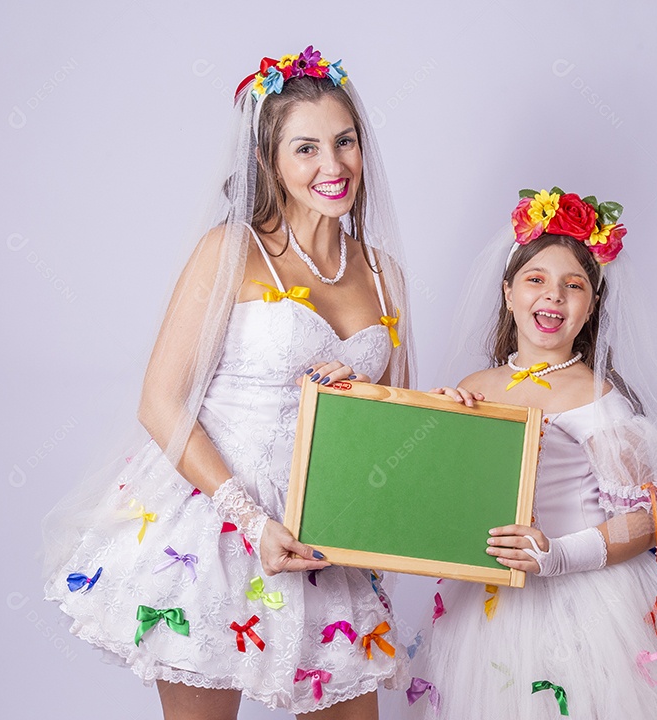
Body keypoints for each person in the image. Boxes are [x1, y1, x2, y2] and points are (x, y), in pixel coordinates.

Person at [42, 46, 413, 718]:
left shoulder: (384, 272)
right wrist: (252, 521)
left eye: (345, 142)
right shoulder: (231, 250)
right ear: (270, 160)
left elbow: (399, 418)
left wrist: (370, 398)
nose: (333, 166)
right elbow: (160, 403)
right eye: (306, 149)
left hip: (322, 538)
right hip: (217, 523)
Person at [407, 187, 657, 719]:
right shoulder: (476, 384)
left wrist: (559, 555)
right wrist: (437, 427)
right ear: (507, 292)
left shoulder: (596, 399)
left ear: (592, 306)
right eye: (536, 280)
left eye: (574, 286)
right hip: (491, 607)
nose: (553, 297)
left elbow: (650, 518)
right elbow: (446, 497)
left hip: (582, 604)